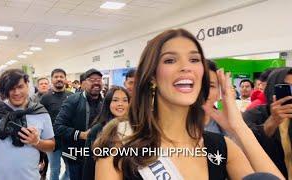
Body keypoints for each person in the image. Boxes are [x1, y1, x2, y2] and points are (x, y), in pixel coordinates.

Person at [93, 29, 284, 180]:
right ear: (152, 77)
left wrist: (238, 127)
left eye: (194, 59)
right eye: (170, 60)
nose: (186, 67)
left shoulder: (220, 147)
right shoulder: (120, 144)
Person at [0, 69, 55, 180]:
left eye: (20, 87)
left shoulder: (40, 113)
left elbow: (51, 145)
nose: (16, 93)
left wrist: (37, 142)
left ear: (27, 85)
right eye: (11, 88)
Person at [54, 68, 103, 180]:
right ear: (82, 84)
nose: (96, 82)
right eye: (91, 79)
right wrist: (82, 135)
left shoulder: (104, 102)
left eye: (99, 79)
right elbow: (57, 127)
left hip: (96, 154)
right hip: (76, 155)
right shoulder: (72, 100)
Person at [243, 67, 292, 179]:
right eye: (285, 88)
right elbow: (247, 145)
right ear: (272, 89)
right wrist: (272, 121)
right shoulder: (254, 114)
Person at [82, 86, 130, 180]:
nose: (120, 104)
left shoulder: (134, 128)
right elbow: (89, 165)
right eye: (115, 100)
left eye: (125, 100)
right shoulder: (98, 130)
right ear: (108, 103)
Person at [40, 69, 71, 180]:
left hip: (69, 141)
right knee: (54, 169)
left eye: (61, 76)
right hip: (52, 141)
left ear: (65, 79)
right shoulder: (45, 98)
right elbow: (40, 119)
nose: (59, 79)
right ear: (52, 79)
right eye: (56, 76)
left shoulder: (72, 96)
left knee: (70, 169)